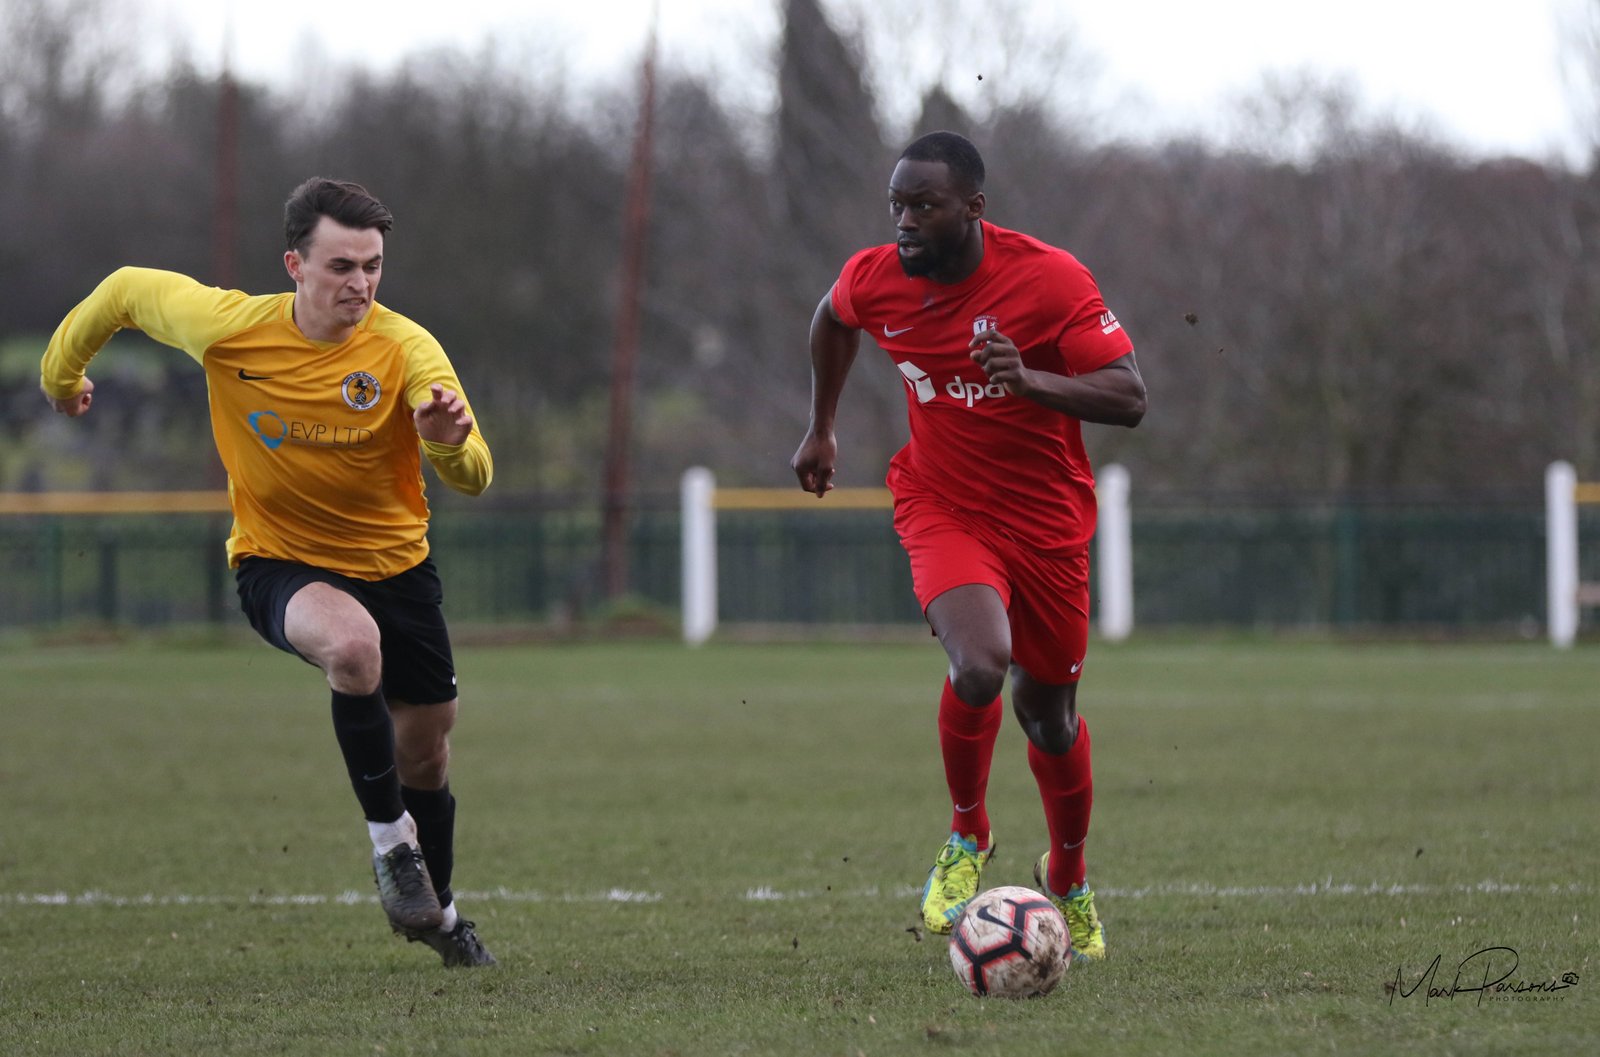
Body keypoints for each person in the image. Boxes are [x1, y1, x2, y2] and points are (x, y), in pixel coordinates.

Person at [40, 177, 497, 968]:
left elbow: (476, 476)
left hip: (399, 570)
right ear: (294, 263)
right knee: (352, 649)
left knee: (427, 753)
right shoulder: (226, 328)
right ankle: (392, 846)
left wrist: (445, 438)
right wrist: (59, 376)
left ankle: (442, 918)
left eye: (374, 266)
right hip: (278, 563)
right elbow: (120, 291)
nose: (361, 284)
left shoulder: (406, 348)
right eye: (342, 266)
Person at [790, 132, 1147, 961]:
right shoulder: (876, 276)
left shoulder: (1050, 279)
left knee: (1049, 718)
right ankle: (967, 835)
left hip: (1050, 522)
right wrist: (822, 427)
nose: (905, 223)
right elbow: (831, 318)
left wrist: (1030, 380)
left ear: (974, 209)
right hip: (942, 502)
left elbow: (1130, 395)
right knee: (980, 662)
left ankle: (1070, 877)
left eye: (924, 206)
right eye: (897, 207)